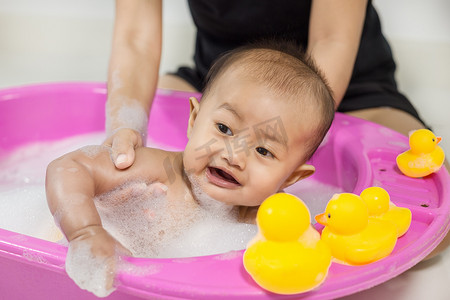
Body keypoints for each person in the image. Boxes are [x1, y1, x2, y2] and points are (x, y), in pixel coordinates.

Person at [46, 42, 335, 296]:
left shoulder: (270, 222)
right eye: (224, 128)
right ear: (194, 121)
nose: (233, 156)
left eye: (263, 150)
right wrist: (86, 231)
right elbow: (68, 167)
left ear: (292, 177)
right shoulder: (161, 171)